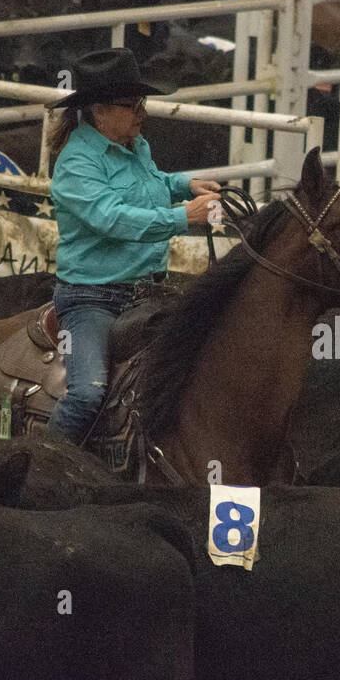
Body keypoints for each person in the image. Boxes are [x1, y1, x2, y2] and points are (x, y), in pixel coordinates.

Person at [44, 48, 219, 446]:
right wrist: (184, 217)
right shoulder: (76, 164)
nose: (142, 111)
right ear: (99, 110)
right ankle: (44, 461)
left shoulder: (133, 144)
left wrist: (184, 184)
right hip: (92, 299)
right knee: (87, 394)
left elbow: (152, 180)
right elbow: (112, 218)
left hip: (146, 289)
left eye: (143, 101)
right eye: (132, 104)